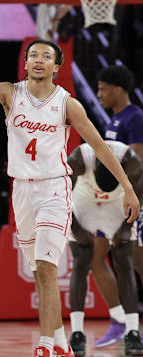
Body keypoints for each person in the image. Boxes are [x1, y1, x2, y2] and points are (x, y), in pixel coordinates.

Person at [0, 13, 140, 357]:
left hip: (54, 188)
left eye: (46, 57)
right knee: (40, 272)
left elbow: (99, 145)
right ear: (25, 63)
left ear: (57, 66)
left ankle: (43, 346)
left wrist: (127, 187)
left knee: (48, 268)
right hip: (21, 191)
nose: (39, 60)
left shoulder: (68, 103)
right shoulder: (10, 93)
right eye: (34, 55)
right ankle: (62, 345)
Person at [66, 141, 143, 355]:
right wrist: (76, 227)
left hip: (118, 202)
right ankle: (77, 332)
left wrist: (125, 228)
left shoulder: (131, 162)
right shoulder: (80, 158)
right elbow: (60, 194)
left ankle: (132, 331)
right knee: (81, 262)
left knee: (124, 261)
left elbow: (139, 198)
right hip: (84, 199)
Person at [92, 64, 143, 345]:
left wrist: (126, 202)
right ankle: (119, 321)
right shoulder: (113, 120)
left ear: (118, 90)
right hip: (110, 203)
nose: (98, 94)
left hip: (129, 204)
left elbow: (136, 165)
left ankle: (124, 323)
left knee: (134, 263)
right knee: (96, 258)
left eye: (102, 89)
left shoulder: (135, 119)